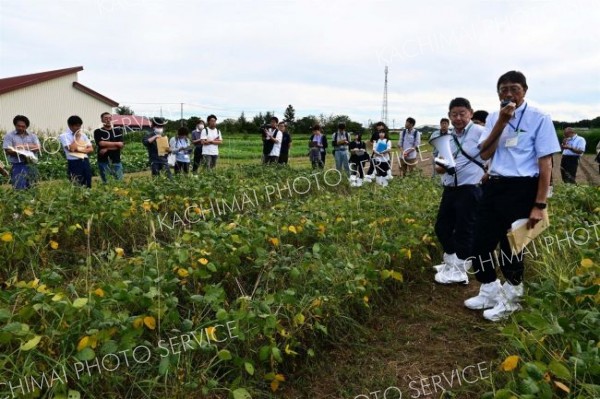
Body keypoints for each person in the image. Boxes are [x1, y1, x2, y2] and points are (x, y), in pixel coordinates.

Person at [465, 70, 561, 321]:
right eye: (503, 89)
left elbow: (546, 163)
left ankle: (513, 295)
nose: (508, 94)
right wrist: (501, 123)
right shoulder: (495, 116)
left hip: (523, 188)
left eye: (514, 89)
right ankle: (489, 288)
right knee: (480, 242)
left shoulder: (539, 117)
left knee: (512, 246)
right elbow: (485, 154)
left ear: (525, 91)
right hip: (495, 186)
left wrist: (540, 204)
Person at [432, 98, 487, 285]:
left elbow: (493, 155)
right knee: (441, 227)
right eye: (454, 114)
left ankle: (460, 271)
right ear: (449, 116)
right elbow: (439, 165)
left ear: (470, 113)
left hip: (470, 189)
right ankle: (452, 262)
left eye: (462, 113)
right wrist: (443, 165)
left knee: (465, 230)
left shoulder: (480, 132)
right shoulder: (447, 137)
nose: (458, 118)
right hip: (450, 188)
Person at [2, 115, 41, 189]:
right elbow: (8, 149)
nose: (20, 128)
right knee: (19, 187)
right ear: (15, 125)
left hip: (32, 164)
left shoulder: (33, 136)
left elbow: (38, 147)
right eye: (18, 126)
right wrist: (22, 151)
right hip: (17, 165)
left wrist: (22, 147)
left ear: (26, 126)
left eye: (23, 126)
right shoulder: (9, 136)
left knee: (33, 187)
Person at [59, 115, 94, 188]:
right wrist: (77, 137)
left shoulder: (83, 135)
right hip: (74, 162)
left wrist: (79, 150)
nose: (79, 128)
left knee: (88, 181)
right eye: (76, 126)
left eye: (80, 126)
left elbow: (91, 149)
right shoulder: (64, 136)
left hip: (85, 160)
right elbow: (71, 149)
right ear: (70, 126)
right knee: (76, 182)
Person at [94, 112, 124, 183]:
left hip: (116, 160)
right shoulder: (98, 131)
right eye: (106, 118)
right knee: (106, 182)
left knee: (119, 182)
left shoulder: (117, 131)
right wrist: (116, 144)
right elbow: (101, 143)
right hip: (103, 160)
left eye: (110, 118)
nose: (108, 120)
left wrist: (107, 148)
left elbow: (121, 145)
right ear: (102, 120)